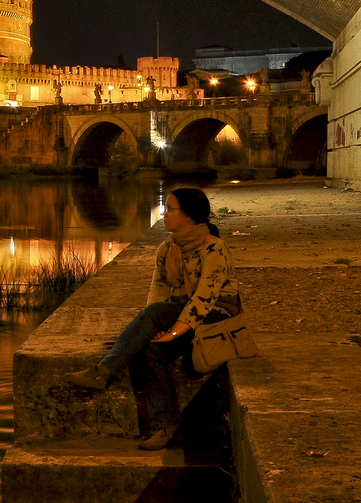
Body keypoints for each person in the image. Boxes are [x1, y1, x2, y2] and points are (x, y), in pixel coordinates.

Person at [62, 186, 235, 450]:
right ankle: (167, 425)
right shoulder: (168, 250)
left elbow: (204, 299)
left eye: (170, 209)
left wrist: (174, 331)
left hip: (215, 318)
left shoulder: (215, 249)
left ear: (188, 216)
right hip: (180, 315)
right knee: (149, 350)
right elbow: (158, 292)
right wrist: (148, 332)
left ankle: (103, 373)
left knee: (155, 316)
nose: (164, 214)